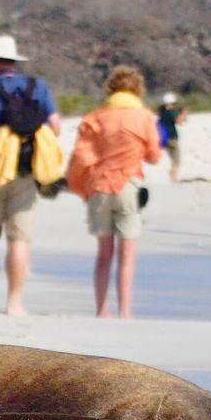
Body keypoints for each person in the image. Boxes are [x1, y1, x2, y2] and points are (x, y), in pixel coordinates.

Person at [0, 34, 59, 316]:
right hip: (27, 173)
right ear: (14, 61)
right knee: (19, 239)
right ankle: (14, 303)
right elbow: (55, 128)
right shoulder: (37, 87)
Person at [66, 66, 161, 319]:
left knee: (104, 254)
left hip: (99, 186)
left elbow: (81, 156)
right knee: (127, 254)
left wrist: (81, 185)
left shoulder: (95, 118)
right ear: (138, 89)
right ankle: (126, 310)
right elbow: (154, 155)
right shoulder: (144, 117)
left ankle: (101, 309)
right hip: (129, 185)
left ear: (110, 89)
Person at [156, 92, 185, 182]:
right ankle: (173, 179)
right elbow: (179, 121)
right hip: (172, 139)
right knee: (176, 161)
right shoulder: (170, 113)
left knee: (173, 161)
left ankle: (172, 178)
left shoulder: (162, 113)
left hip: (165, 140)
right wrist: (183, 114)